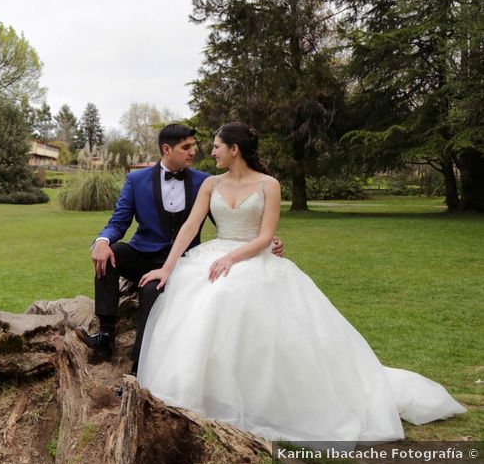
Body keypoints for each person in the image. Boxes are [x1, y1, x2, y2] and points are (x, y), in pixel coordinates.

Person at [135, 122, 466, 444]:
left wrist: (233, 258)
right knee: (201, 300)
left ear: (234, 150)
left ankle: (260, 400)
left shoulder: (269, 185)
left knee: (228, 294)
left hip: (252, 257)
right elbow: (190, 227)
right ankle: (203, 392)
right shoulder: (211, 184)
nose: (212, 152)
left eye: (217, 146)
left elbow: (265, 236)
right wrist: (168, 268)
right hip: (214, 253)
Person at [74, 123, 283, 375]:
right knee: (110, 253)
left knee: (152, 291)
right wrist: (101, 241)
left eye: (194, 146)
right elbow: (119, 221)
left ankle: (139, 367)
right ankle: (106, 334)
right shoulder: (136, 180)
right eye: (186, 147)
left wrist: (267, 240)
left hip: (183, 260)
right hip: (144, 253)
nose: (194, 152)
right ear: (166, 149)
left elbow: (229, 216)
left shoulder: (206, 181)